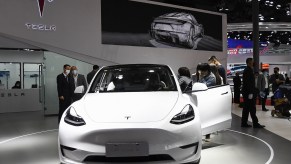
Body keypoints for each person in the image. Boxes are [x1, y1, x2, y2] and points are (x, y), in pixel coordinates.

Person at [241, 58, 265, 128]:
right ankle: (255, 123)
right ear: (249, 62)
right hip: (248, 93)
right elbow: (248, 83)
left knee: (247, 108)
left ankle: (245, 123)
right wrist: (251, 93)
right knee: (251, 108)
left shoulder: (248, 70)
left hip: (247, 92)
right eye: (252, 61)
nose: (253, 62)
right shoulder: (248, 70)